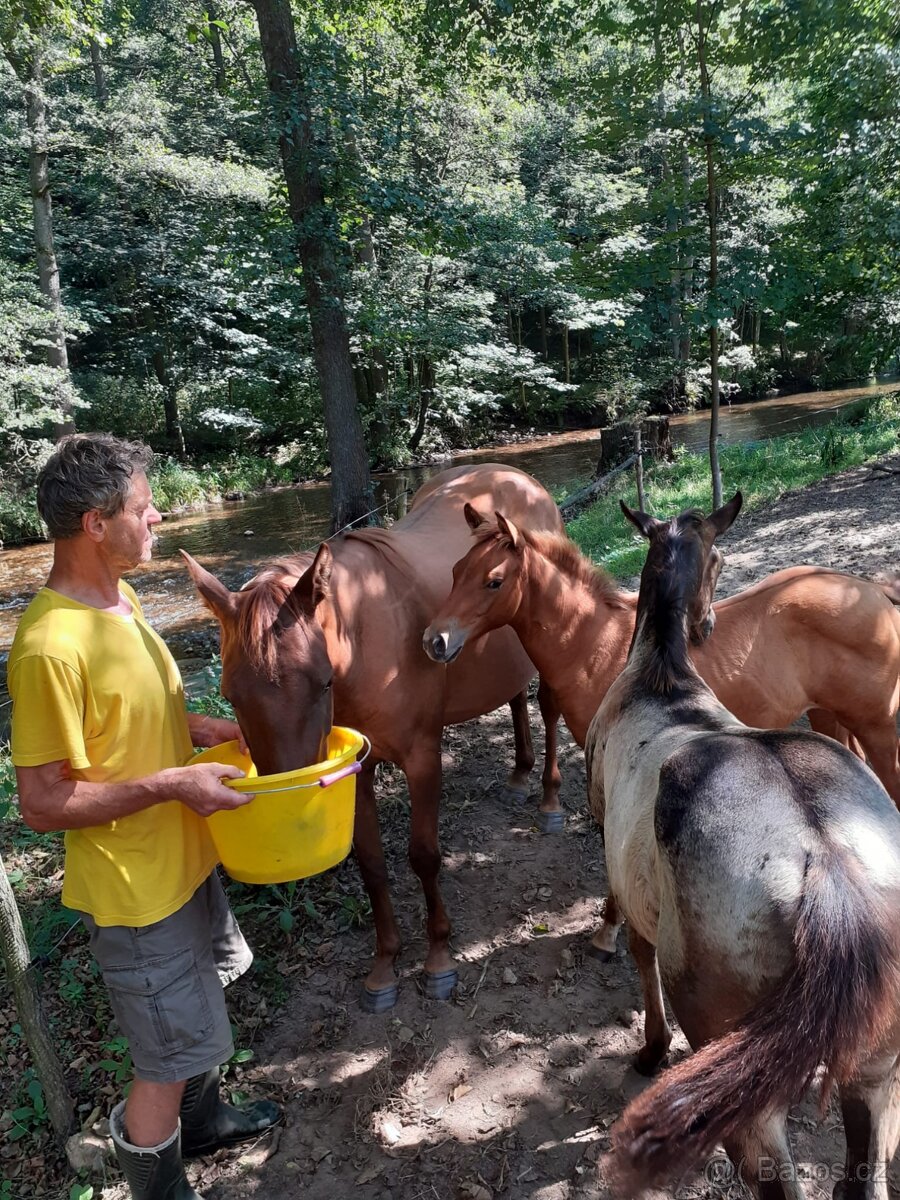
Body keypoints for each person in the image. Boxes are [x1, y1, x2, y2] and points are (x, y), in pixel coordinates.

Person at [8, 434, 281, 1200]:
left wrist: (205, 729)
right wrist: (170, 786)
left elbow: (131, 717)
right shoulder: (49, 648)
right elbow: (41, 801)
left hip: (185, 861)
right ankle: (161, 1189)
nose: (157, 515)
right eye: (141, 506)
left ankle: (207, 1124)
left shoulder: (119, 600)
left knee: (195, 1024)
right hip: (136, 895)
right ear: (96, 523)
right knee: (163, 1062)